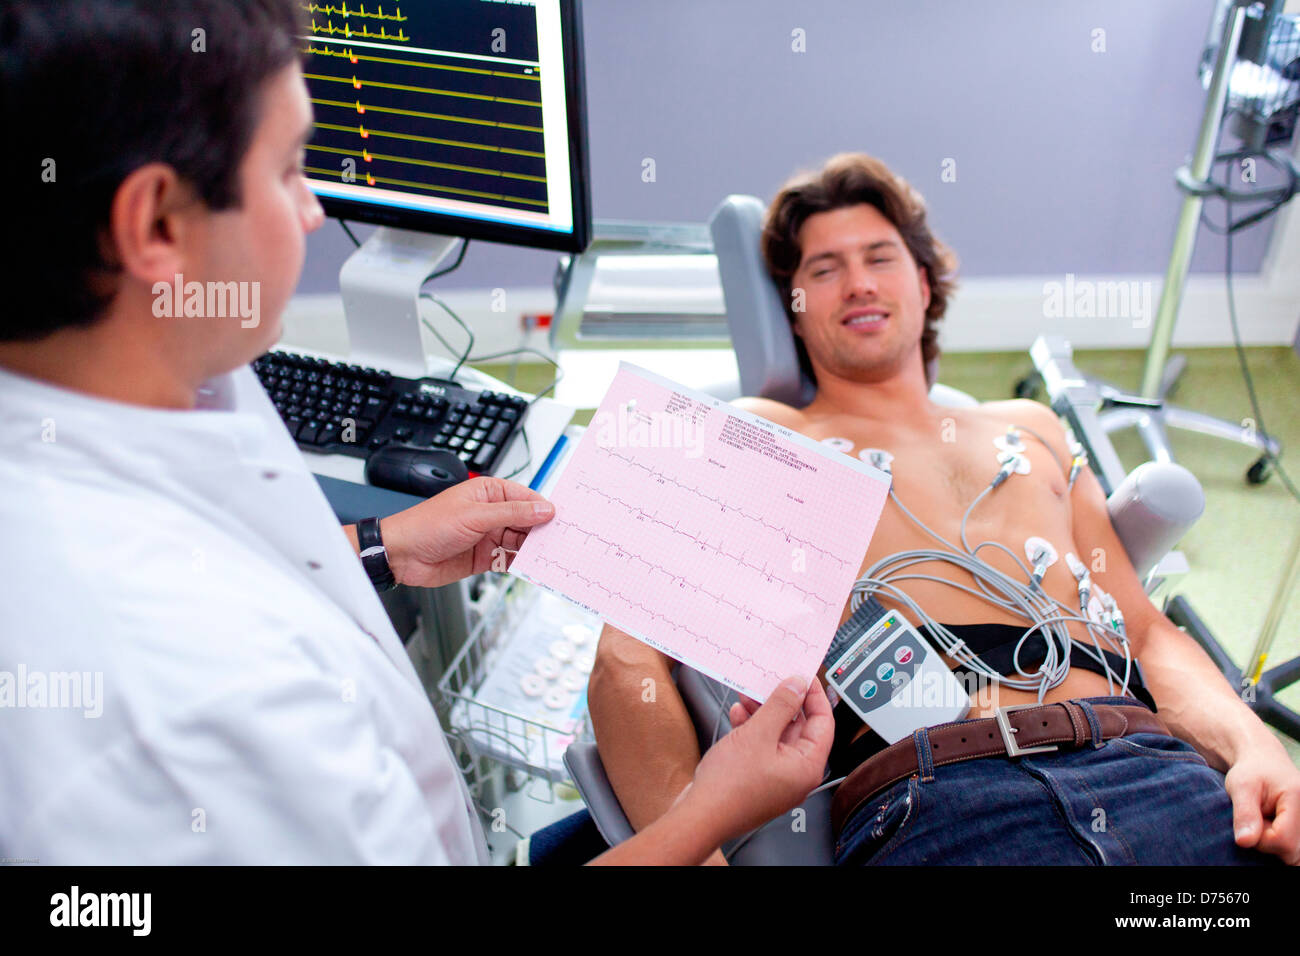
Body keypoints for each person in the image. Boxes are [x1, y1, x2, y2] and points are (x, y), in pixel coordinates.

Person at [0, 0, 833, 866]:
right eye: (289, 170)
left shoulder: (159, 379)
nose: (315, 210)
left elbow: (223, 548)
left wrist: (377, 546)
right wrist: (709, 813)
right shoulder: (203, 718)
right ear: (158, 226)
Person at [589, 153, 1300, 865]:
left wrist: (1255, 746)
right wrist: (688, 845)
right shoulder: (761, 432)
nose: (860, 282)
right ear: (794, 313)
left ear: (925, 284)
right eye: (824, 270)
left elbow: (1146, 634)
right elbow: (626, 659)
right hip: (945, 803)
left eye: (880, 258)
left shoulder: (1033, 428)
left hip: (1152, 774)